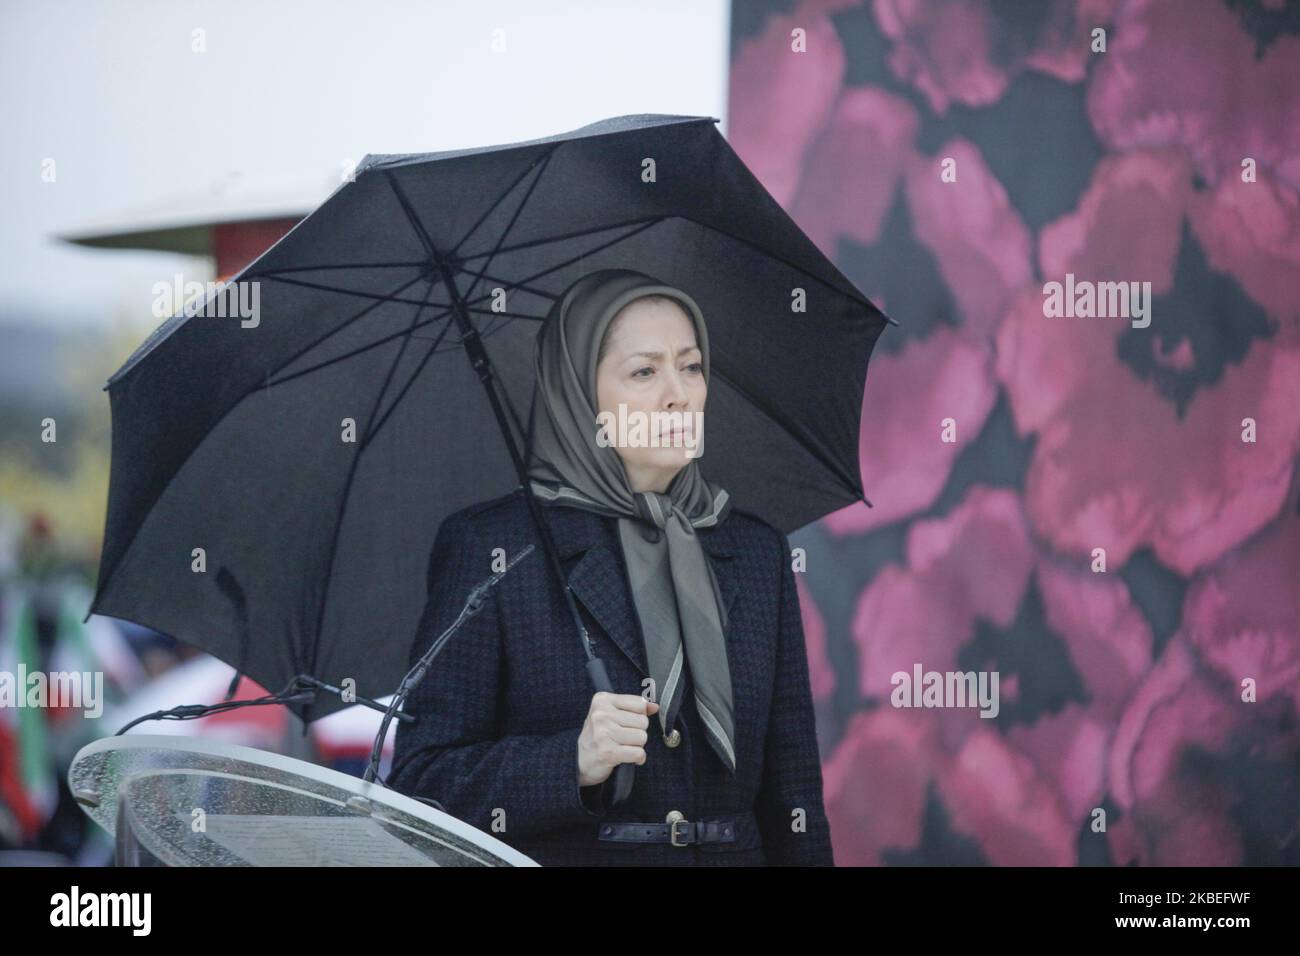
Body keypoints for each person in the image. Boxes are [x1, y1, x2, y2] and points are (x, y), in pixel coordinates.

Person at [389, 268, 834, 866]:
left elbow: (793, 794)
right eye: (645, 371)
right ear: (579, 393)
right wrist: (570, 760)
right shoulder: (494, 548)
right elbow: (423, 786)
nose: (679, 393)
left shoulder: (755, 551)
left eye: (692, 365)